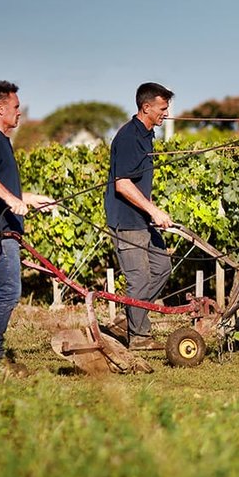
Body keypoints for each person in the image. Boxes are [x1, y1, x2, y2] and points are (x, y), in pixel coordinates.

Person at [0, 81, 55, 375]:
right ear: (1, 107)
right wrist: (9, 199)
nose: (19, 113)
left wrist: (28, 199)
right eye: (16, 107)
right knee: (8, 292)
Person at [105, 82, 175, 350]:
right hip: (127, 221)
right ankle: (140, 338)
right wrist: (153, 210)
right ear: (146, 107)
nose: (166, 114)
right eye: (162, 108)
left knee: (162, 268)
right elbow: (122, 184)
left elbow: (139, 182)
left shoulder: (146, 135)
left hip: (143, 219)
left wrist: (153, 209)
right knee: (139, 279)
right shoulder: (128, 138)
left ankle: (131, 318)